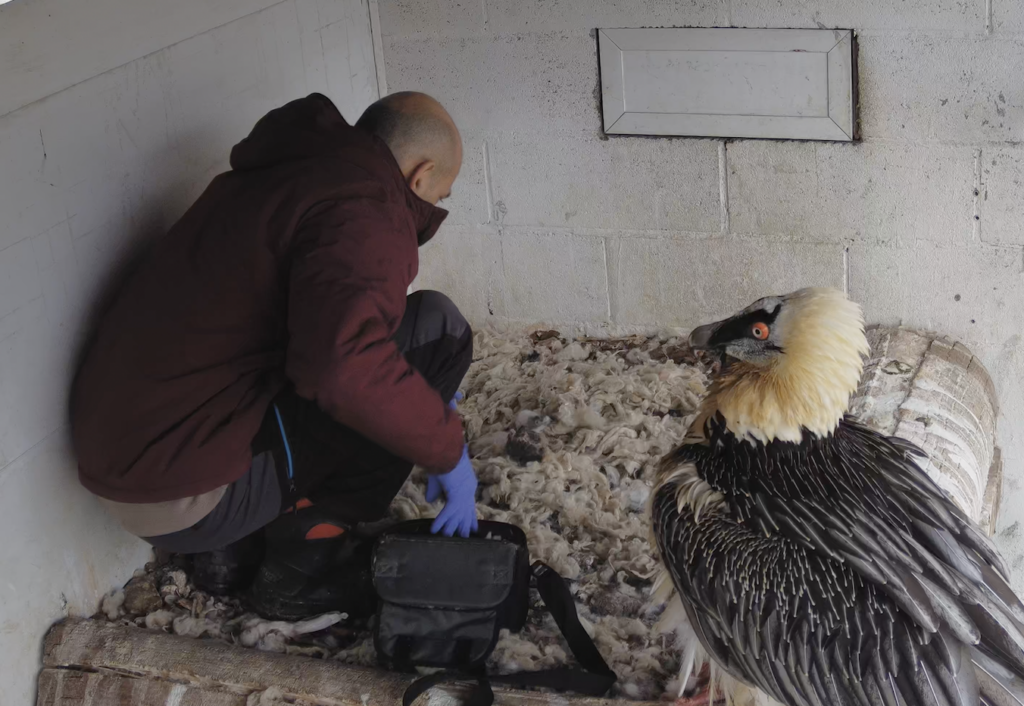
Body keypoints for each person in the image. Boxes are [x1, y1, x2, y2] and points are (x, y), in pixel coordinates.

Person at [70, 91, 479, 619]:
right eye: (444, 193)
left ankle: (228, 553)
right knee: (437, 329)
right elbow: (344, 370)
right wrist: (444, 443)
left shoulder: (290, 173)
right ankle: (303, 561)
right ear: (420, 177)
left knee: (366, 358)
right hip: (187, 491)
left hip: (132, 461)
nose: (437, 205)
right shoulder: (368, 211)